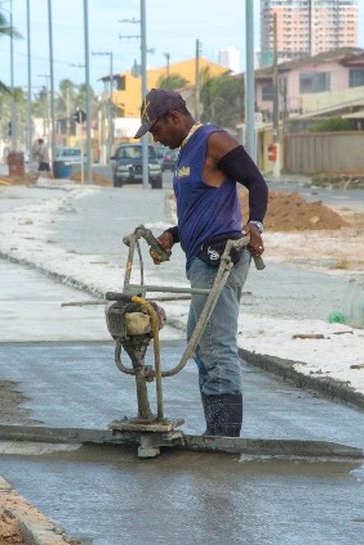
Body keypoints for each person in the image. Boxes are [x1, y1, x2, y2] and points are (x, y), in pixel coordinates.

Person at [136, 88, 269, 437]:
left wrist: (255, 224)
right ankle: (217, 431)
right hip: (199, 258)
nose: (155, 138)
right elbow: (200, 213)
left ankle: (225, 436)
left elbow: (256, 181)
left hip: (219, 257)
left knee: (215, 345)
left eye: (156, 130)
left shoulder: (212, 140)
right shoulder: (185, 152)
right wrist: (173, 235)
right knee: (200, 345)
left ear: (174, 117)